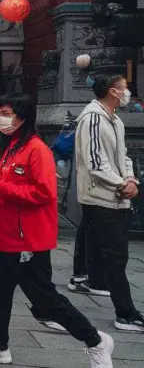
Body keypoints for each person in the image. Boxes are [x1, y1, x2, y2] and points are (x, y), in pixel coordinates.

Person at [0, 94, 114, 366]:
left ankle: (95, 341)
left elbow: (45, 192)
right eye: (0, 112)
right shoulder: (5, 148)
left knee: (45, 301)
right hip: (0, 235)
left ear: (22, 117)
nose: (2, 117)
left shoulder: (37, 150)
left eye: (7, 112)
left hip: (26, 239)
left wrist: (4, 188)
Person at [69, 74, 142, 332]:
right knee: (116, 255)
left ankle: (91, 280)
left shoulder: (116, 121)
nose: (127, 93)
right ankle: (126, 312)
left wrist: (131, 179)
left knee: (109, 251)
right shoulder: (92, 119)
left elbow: (122, 156)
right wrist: (121, 184)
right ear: (112, 91)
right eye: (124, 88)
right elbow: (95, 162)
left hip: (116, 195)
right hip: (101, 196)